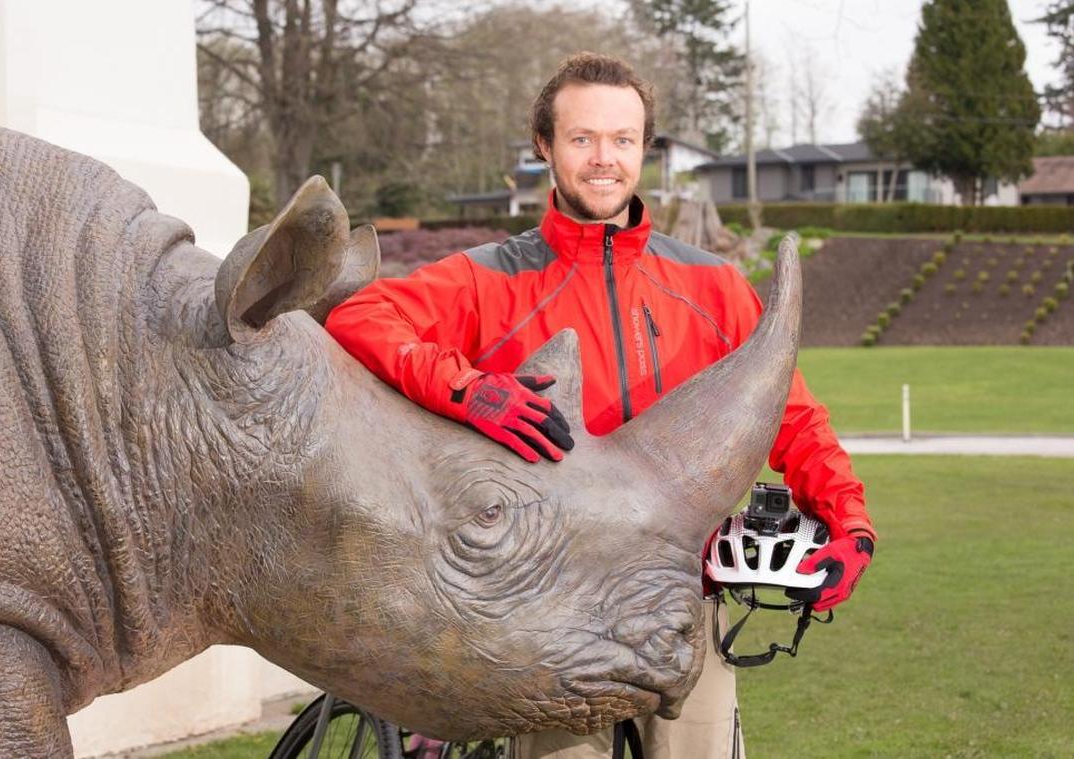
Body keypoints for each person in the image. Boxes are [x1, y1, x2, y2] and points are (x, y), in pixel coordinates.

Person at [325, 52, 876, 759]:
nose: (603, 159)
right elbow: (359, 317)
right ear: (545, 147)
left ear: (645, 148)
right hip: (549, 611)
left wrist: (849, 521)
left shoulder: (710, 284)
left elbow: (791, 415)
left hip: (683, 597)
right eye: (582, 139)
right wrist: (469, 390)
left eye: (623, 139)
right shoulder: (492, 275)